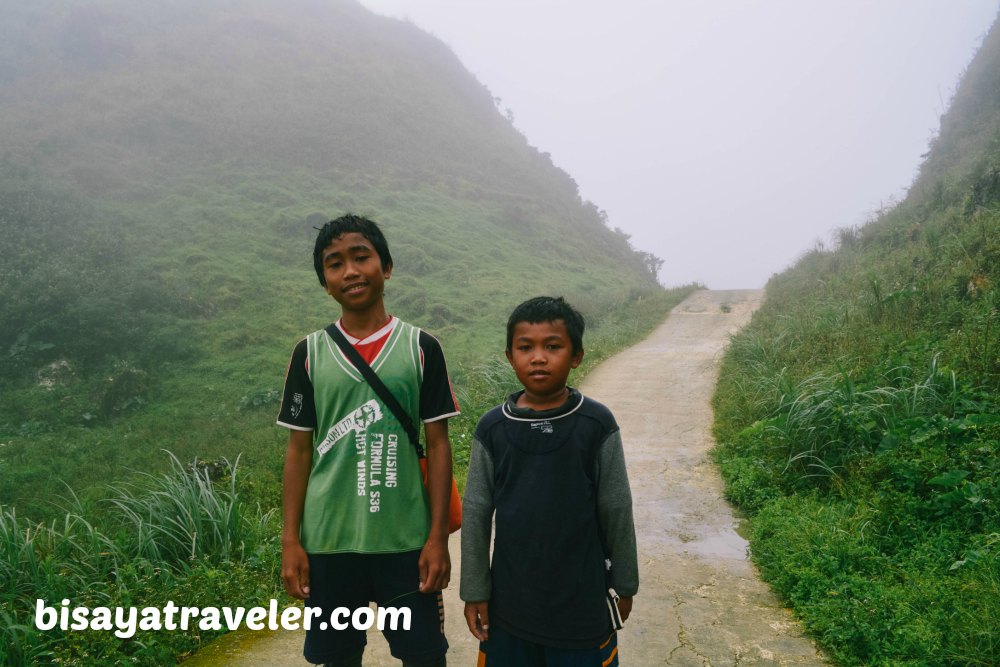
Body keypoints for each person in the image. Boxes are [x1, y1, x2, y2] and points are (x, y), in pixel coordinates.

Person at [277, 214, 459, 667]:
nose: (351, 271)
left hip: (406, 543)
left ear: (387, 266)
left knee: (423, 657)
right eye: (335, 264)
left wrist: (437, 537)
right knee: (337, 659)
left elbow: (438, 445)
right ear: (326, 282)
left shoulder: (421, 347)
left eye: (362, 257)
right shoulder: (309, 353)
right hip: (328, 544)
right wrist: (290, 542)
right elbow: (299, 451)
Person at [460, 296, 638, 666]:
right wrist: (475, 590)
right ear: (510, 356)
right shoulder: (492, 428)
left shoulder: (595, 423)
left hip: (582, 605)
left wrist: (625, 583)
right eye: (526, 347)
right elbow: (476, 511)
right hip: (509, 607)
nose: (538, 357)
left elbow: (616, 506)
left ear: (576, 356)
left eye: (552, 347)